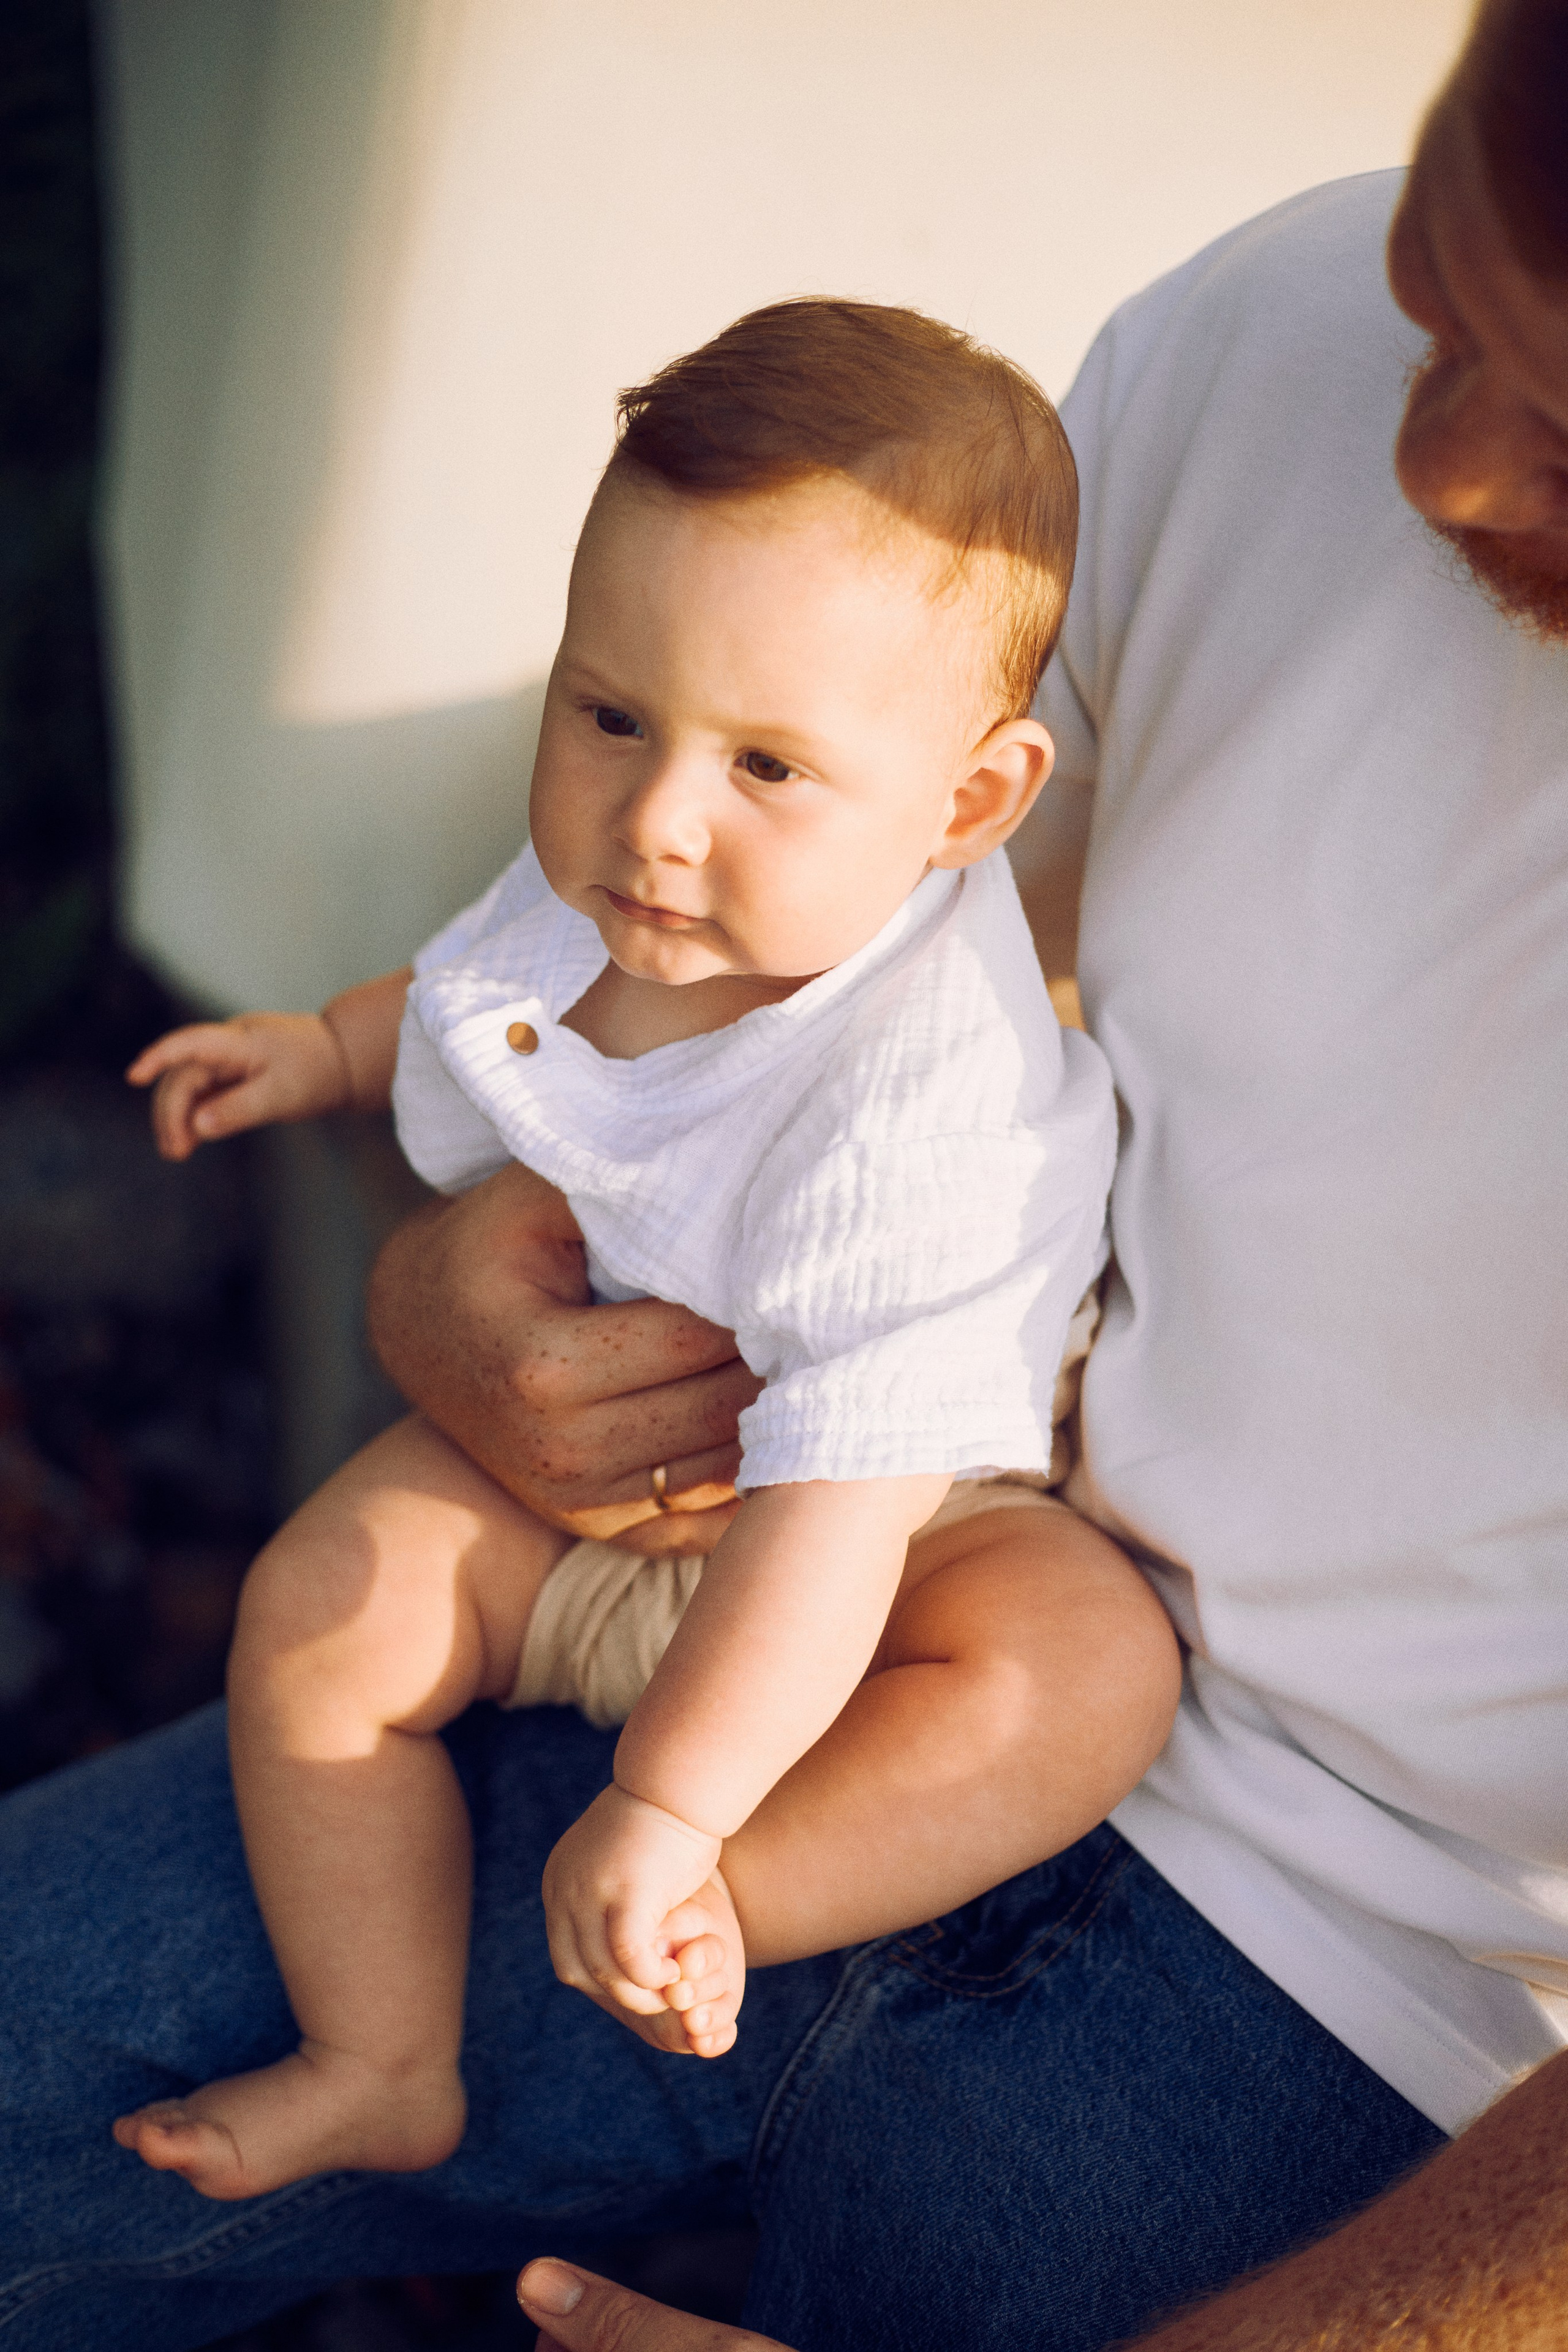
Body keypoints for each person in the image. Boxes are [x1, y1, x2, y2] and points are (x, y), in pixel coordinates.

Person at [0, 1, 1563, 2346]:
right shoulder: (1278, 337)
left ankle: (660, 1917)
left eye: (1557, 411)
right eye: (1446, 312)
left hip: (1375, 1991)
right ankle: (420, 2039)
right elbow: (743, 917)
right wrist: (466, 1290)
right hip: (772, 1583)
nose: (1433, 463)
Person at [108, 302, 1176, 2203]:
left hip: (897, 1548)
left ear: (969, 805)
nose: (658, 819)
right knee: (321, 1600)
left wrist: (671, 1801)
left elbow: (841, 1514)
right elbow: (472, 991)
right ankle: (381, 2054)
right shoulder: (614, 871)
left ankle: (711, 1903)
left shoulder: (918, 1098)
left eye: (770, 768)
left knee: (1078, 1672)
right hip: (586, 1497)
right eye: (609, 712)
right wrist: (325, 1052)